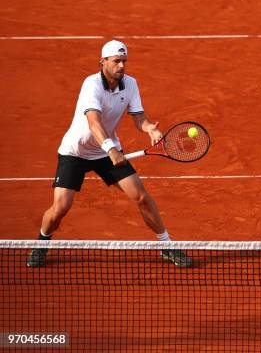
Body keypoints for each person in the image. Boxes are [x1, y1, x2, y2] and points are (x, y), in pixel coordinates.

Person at [27, 40, 193, 268]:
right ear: (102, 62)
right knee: (60, 209)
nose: (122, 66)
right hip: (76, 152)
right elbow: (93, 121)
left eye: (124, 61)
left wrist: (149, 128)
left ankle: (167, 246)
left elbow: (138, 117)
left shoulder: (131, 84)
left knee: (142, 197)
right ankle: (42, 242)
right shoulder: (91, 84)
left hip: (106, 151)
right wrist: (111, 149)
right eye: (116, 61)